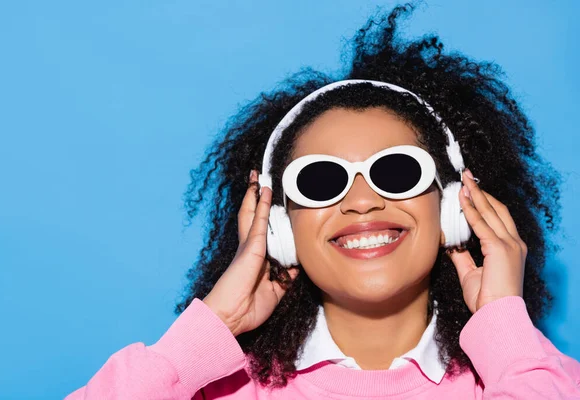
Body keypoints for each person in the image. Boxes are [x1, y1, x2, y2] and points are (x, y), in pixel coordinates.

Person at [65, 4, 580, 399]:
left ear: (452, 207)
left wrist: (504, 329)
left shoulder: (532, 378)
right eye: (320, 181)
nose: (361, 201)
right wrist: (207, 333)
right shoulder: (216, 389)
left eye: (396, 172)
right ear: (280, 229)